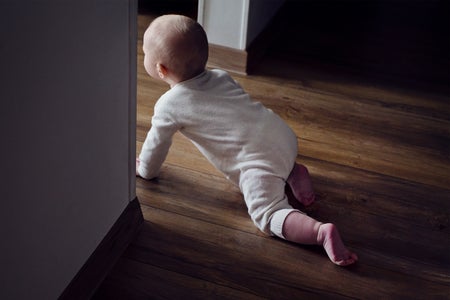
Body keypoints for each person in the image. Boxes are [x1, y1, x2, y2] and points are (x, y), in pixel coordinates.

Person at [136, 14, 358, 266]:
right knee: (274, 158)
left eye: (145, 52)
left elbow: (156, 146)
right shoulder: (220, 75)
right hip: (281, 136)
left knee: (266, 213)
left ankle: (319, 232)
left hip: (260, 162)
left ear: (161, 69)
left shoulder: (168, 106)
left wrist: (145, 170)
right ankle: (293, 172)